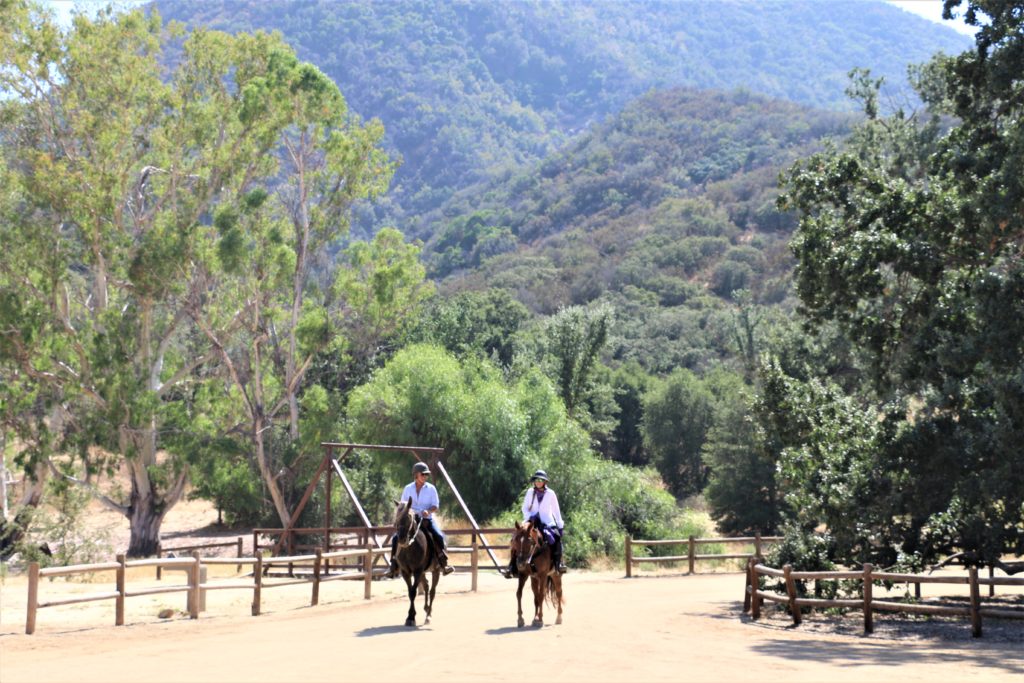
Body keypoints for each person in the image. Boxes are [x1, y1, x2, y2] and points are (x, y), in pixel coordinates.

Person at [386, 462, 454, 577]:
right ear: (416, 474)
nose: (425, 476)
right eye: (423, 474)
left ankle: (444, 564)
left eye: (426, 474)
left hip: (426, 519)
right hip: (411, 520)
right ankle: (393, 566)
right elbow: (402, 506)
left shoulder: (431, 489)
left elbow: (435, 505)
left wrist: (429, 511)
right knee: (395, 538)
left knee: (439, 536)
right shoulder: (407, 488)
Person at [504, 469, 566, 578]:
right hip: (531, 521)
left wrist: (560, 525)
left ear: (544, 482)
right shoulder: (530, 492)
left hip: (547, 521)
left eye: (540, 480)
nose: (538, 482)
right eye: (536, 480)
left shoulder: (551, 493)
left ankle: (558, 564)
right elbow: (524, 508)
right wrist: (529, 516)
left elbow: (556, 510)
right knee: (516, 538)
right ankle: (512, 566)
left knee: (556, 538)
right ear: (534, 481)